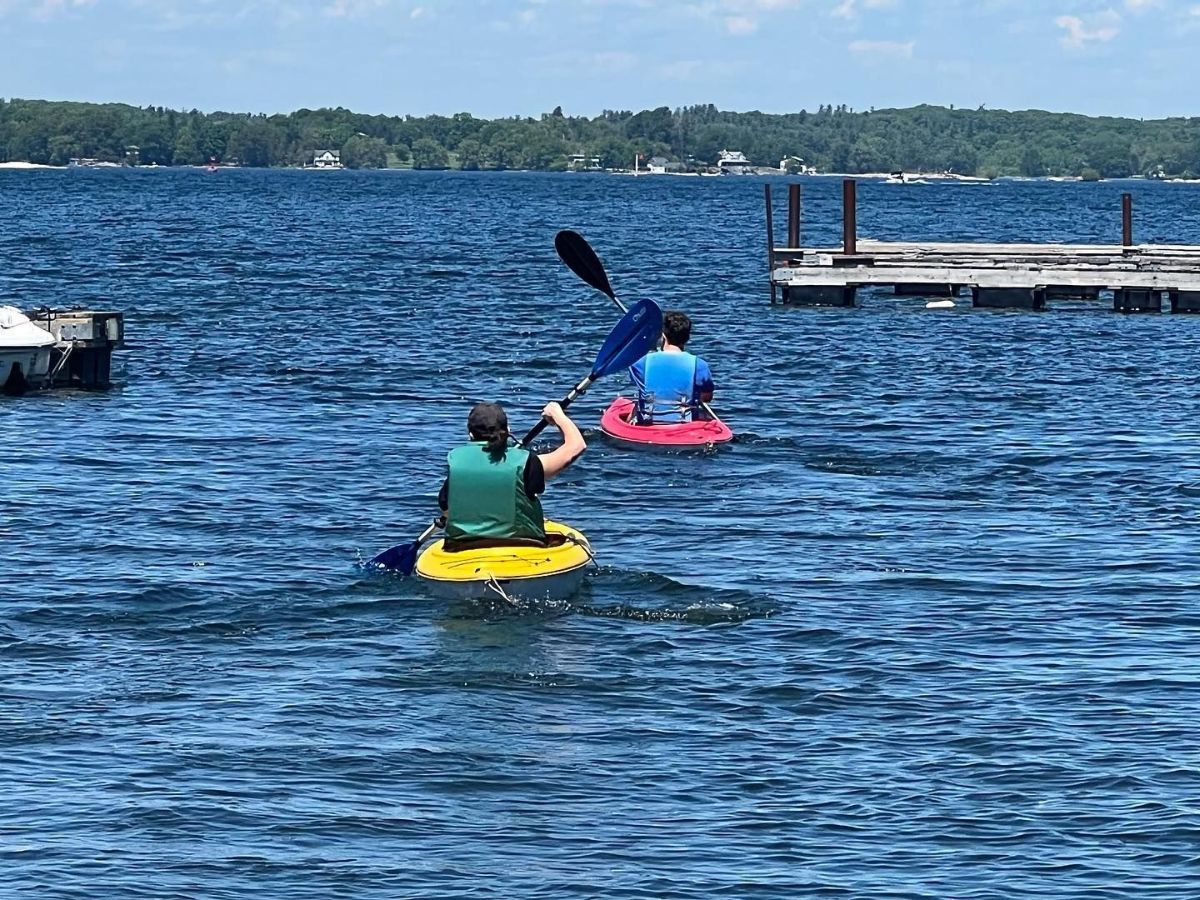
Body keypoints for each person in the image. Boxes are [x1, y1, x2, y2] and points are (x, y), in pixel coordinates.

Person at [437, 400, 585, 549]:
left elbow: (446, 507)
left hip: (462, 546)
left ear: (470, 434)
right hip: (523, 544)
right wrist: (558, 415)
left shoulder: (456, 461)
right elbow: (577, 446)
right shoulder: (527, 462)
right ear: (508, 430)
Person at [628, 310, 715, 423]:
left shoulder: (639, 363)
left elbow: (640, 385)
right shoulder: (699, 365)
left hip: (649, 423)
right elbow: (707, 397)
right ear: (687, 338)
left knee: (636, 406)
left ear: (663, 336)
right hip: (684, 425)